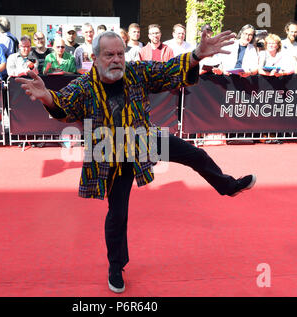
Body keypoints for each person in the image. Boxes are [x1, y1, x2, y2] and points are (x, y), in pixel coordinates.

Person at [16, 30, 257, 293]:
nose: (116, 59)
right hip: (111, 149)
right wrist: (46, 97)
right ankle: (115, 267)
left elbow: (168, 71)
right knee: (118, 213)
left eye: (120, 53)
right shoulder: (85, 85)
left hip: (143, 137)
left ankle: (227, 186)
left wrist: (197, 54)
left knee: (196, 155)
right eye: (109, 55)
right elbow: (65, 105)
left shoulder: (137, 72)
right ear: (95, 58)